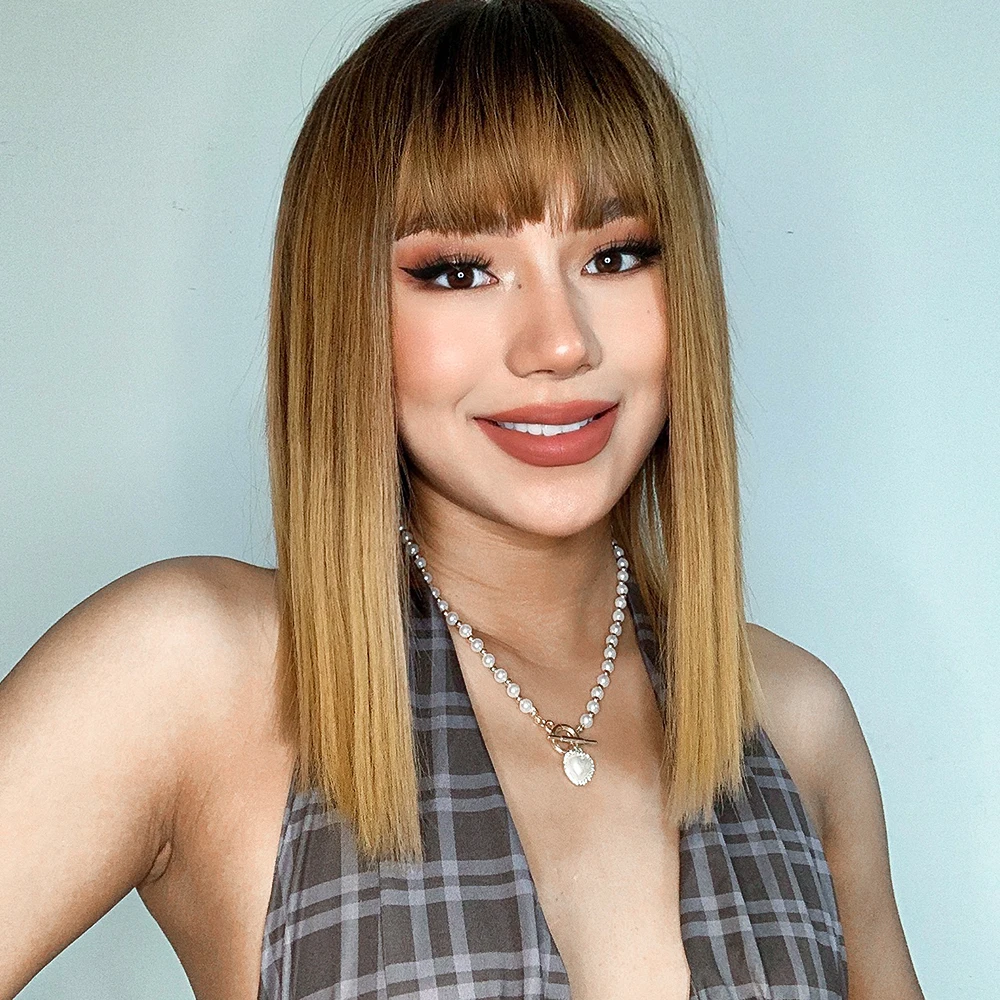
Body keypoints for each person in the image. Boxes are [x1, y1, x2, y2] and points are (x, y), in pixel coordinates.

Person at [0, 0, 926, 997]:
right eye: (457, 271)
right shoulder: (195, 672)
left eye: (614, 255)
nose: (559, 342)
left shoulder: (794, 722)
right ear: (347, 307)